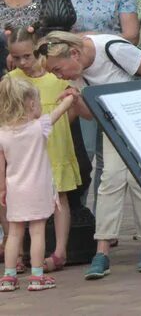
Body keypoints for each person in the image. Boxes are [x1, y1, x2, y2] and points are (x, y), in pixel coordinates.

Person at [35, 31, 141, 280]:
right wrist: (76, 98)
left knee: (140, 181)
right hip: (114, 125)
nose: (59, 76)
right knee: (110, 179)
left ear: (74, 53)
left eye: (58, 69)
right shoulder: (77, 71)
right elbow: (90, 115)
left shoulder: (111, 49)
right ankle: (102, 250)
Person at [3, 27, 84, 276]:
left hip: (54, 141)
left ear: (37, 49)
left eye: (27, 56)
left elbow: (69, 108)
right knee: (17, 212)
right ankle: (16, 255)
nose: (22, 62)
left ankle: (59, 251)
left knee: (60, 195)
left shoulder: (55, 74)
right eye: (16, 58)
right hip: (30, 143)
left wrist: (58, 128)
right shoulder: (11, 80)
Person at [0, 74, 75, 292]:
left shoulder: (2, 134)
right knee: (37, 231)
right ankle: (37, 276)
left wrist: (2, 189)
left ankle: (8, 276)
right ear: (31, 104)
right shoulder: (38, 126)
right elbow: (59, 113)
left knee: (14, 233)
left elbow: (1, 168)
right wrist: (70, 97)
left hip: (15, 189)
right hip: (38, 188)